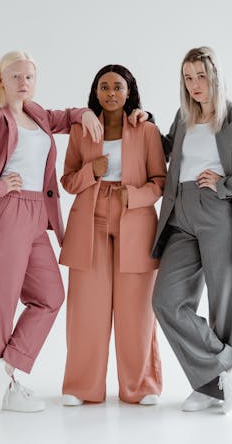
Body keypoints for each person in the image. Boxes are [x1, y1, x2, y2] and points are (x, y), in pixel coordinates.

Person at [0, 51, 104, 414]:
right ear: (1, 80)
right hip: (7, 211)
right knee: (0, 304)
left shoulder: (37, 115)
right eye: (16, 77)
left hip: (38, 215)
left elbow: (65, 118)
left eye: (29, 77)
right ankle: (5, 387)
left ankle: (6, 371)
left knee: (50, 295)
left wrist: (85, 113)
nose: (24, 84)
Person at [151, 46, 232, 414]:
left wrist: (226, 185)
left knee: (225, 302)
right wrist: (143, 124)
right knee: (166, 301)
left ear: (215, 76)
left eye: (201, 76)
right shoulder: (183, 116)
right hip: (180, 212)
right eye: (188, 78)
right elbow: (167, 150)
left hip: (219, 210)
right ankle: (227, 367)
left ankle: (216, 387)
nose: (194, 85)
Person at [58, 65, 167, 406]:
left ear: (129, 91)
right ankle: (81, 387)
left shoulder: (147, 130)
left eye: (117, 87)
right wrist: (93, 171)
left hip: (135, 219)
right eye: (103, 87)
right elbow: (68, 181)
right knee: (86, 309)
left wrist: (132, 196)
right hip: (90, 220)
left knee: (136, 311)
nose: (110, 93)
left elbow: (160, 182)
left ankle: (142, 386)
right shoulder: (81, 130)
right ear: (96, 92)